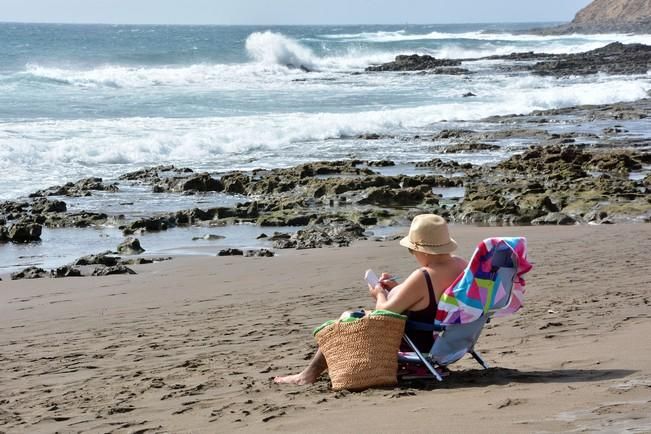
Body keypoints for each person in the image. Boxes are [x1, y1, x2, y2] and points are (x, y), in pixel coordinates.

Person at [274, 214, 467, 385]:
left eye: (412, 250)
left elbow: (383, 314)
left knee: (348, 317)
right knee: (353, 315)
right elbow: (429, 297)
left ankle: (307, 375)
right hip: (451, 340)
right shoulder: (461, 266)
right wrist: (398, 289)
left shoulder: (424, 275)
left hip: (419, 343)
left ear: (423, 250)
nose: (413, 255)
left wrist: (379, 293)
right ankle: (310, 372)